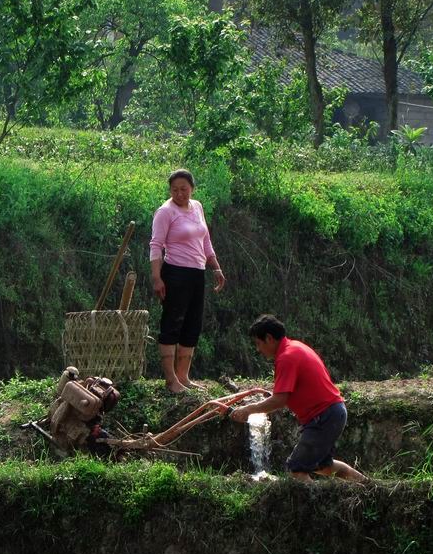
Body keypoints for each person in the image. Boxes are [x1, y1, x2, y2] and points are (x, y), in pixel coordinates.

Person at [230, 314, 365, 483]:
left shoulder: (286, 357)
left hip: (323, 416)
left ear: (269, 339)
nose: (258, 349)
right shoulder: (295, 347)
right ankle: (368, 487)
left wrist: (249, 409)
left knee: (296, 469)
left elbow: (280, 400)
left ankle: (317, 505)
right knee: (323, 466)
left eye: (258, 343)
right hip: (332, 412)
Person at [149, 168, 226, 393]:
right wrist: (157, 277)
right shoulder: (165, 212)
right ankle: (171, 379)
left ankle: (183, 376)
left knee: (192, 324)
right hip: (175, 273)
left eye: (184, 189)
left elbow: (206, 242)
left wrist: (216, 267)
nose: (180, 194)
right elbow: (156, 245)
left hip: (196, 273)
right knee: (172, 323)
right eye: (175, 190)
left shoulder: (198, 207)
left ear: (192, 188)